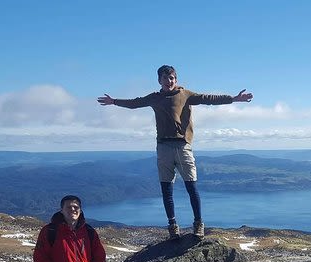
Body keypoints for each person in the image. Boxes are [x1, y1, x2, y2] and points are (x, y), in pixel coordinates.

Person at [98, 65, 253, 240]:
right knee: (166, 189)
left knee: (191, 187)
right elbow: (135, 103)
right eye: (165, 78)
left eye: (171, 78)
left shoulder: (185, 94)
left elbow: (208, 98)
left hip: (182, 145)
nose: (169, 81)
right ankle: (173, 227)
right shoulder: (154, 98)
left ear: (176, 79)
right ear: (159, 80)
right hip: (163, 147)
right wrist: (114, 101)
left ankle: (198, 224)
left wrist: (233, 99)